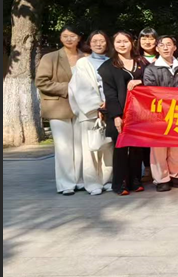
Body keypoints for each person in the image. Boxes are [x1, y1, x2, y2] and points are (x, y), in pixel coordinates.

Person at [36, 27, 87, 195]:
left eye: (72, 36)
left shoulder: (86, 57)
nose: (69, 39)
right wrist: (68, 88)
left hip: (82, 107)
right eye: (65, 36)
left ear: (79, 38)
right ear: (60, 38)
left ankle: (79, 180)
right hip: (58, 106)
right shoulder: (50, 57)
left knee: (80, 145)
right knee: (63, 147)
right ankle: (66, 184)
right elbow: (41, 82)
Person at [98, 31, 147, 195]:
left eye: (125, 41)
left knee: (137, 148)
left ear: (132, 43)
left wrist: (140, 81)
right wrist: (116, 116)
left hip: (140, 113)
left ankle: (136, 180)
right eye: (118, 41)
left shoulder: (142, 62)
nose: (122, 44)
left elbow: (152, 80)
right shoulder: (108, 66)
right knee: (120, 148)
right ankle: (120, 183)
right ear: (113, 44)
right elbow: (110, 94)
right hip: (120, 112)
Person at [142, 35, 178, 192]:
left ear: (175, 47)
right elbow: (149, 91)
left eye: (169, 44)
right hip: (159, 114)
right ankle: (161, 179)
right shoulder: (151, 69)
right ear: (157, 48)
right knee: (159, 148)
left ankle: (176, 175)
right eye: (162, 45)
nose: (166, 47)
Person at [68, 30, 113, 195]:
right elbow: (80, 88)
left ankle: (108, 180)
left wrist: (109, 105)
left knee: (108, 147)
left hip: (110, 109)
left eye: (102, 41)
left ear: (107, 43)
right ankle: (92, 183)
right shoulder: (83, 63)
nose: (99, 44)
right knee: (90, 150)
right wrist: (97, 107)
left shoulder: (113, 62)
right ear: (89, 43)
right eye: (95, 41)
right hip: (89, 111)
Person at [137, 27, 158, 182]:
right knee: (144, 137)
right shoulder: (135, 59)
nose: (147, 42)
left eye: (151, 38)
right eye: (144, 38)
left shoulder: (165, 58)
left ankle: (161, 169)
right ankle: (147, 168)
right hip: (141, 106)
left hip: (161, 105)